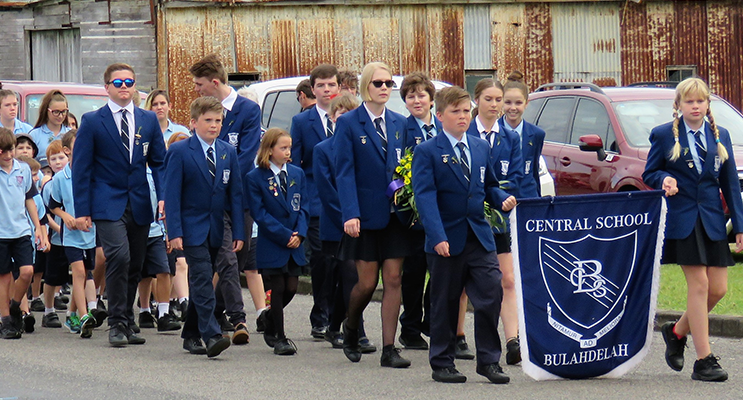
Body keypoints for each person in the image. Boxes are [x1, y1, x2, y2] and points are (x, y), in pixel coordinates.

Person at [643, 77, 743, 382]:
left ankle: (676, 332)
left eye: (701, 101)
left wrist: (739, 226)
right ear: (679, 105)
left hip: (712, 220)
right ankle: (704, 360)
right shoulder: (663, 135)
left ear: (707, 104)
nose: (695, 106)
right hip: (683, 219)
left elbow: (730, 185)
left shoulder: (720, 135)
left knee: (718, 288)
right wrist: (664, 179)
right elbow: (650, 171)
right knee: (698, 285)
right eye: (689, 101)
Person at [412, 86, 514, 384]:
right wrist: (437, 235)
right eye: (455, 111)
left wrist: (500, 198)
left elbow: (489, 184)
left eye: (466, 111)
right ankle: (442, 361)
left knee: (490, 292)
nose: (462, 117)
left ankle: (489, 360)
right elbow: (425, 196)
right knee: (444, 301)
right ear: (440, 115)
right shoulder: (428, 151)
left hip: (479, 236)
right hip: (446, 238)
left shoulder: (480, 147)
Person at [72, 63, 166, 347]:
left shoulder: (148, 120)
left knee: (136, 264)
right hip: (106, 202)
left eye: (129, 82)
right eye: (118, 83)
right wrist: (83, 210)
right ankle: (115, 323)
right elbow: (81, 168)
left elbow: (159, 163)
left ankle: (127, 319)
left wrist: (163, 197)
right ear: (107, 88)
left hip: (138, 201)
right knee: (119, 257)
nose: (124, 87)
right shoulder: (92, 121)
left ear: (135, 86)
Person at [334, 61, 411, 368]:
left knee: (393, 278)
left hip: (394, 216)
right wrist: (350, 213)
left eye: (388, 83)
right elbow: (344, 172)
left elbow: (405, 166)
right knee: (367, 283)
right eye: (378, 83)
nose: (384, 88)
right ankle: (351, 327)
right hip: (364, 216)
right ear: (366, 86)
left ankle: (389, 348)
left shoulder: (399, 123)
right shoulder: (349, 123)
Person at [165, 96, 243, 358]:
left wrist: (239, 232)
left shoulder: (227, 152)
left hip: (217, 227)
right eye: (208, 120)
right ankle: (211, 335)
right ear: (193, 123)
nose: (214, 125)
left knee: (206, 278)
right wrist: (174, 232)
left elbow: (235, 196)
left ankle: (190, 334)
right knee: (201, 279)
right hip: (190, 228)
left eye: (218, 121)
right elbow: (172, 195)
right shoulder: (179, 152)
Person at [190, 54, 260, 342]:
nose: (196, 90)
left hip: (236, 194)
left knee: (237, 257)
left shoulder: (247, 110)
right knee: (222, 259)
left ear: (215, 82)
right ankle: (228, 316)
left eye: (199, 84)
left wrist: (224, 184)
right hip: (208, 203)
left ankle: (212, 310)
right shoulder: (203, 110)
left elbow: (245, 155)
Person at [467, 77, 524, 364]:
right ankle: (456, 337)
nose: (494, 105)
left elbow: (513, 178)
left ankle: (513, 340)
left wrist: (502, 195)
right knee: (465, 282)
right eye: (488, 99)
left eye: (498, 100)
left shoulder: (510, 137)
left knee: (508, 279)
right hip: (469, 217)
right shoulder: (465, 132)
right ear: (476, 100)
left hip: (499, 217)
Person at [313, 93, 375, 352]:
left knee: (350, 277)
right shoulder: (322, 149)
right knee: (346, 275)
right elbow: (327, 191)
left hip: (361, 221)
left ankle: (337, 324)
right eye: (338, 116)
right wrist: (347, 216)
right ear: (332, 118)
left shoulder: (363, 147)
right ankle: (356, 329)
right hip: (336, 223)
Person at [247, 128, 308, 355]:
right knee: (279, 287)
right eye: (282, 148)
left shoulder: (296, 174)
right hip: (273, 241)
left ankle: (269, 317)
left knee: (292, 286)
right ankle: (280, 336)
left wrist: (299, 233)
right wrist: (284, 235)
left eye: (289, 147)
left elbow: (304, 206)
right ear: (270, 149)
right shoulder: (255, 177)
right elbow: (260, 213)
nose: (287, 152)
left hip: (294, 239)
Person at [290, 64, 340, 339]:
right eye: (321, 85)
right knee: (322, 259)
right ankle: (321, 313)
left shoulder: (349, 117)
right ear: (313, 89)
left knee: (341, 260)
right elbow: (296, 165)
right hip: (316, 201)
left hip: (344, 200)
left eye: (331, 85)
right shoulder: (302, 122)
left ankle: (338, 313)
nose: (326, 90)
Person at [397, 72, 442, 351]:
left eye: (421, 95)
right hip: (413, 214)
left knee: (440, 272)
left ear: (431, 99)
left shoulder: (442, 126)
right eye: (411, 96)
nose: (417, 100)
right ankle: (410, 326)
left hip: (442, 210)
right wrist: (405, 198)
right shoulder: (401, 129)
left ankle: (431, 321)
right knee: (414, 272)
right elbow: (396, 171)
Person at [48, 129, 103, 338]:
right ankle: (84, 316)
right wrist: (67, 217)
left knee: (85, 274)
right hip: (70, 235)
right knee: (78, 273)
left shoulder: (94, 172)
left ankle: (71, 313)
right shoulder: (61, 178)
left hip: (90, 232)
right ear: (67, 150)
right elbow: (53, 205)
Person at [0, 128, 48, 339]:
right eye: (3, 152)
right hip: (1, 232)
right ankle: (6, 321)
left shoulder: (23, 169)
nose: (8, 156)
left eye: (10, 150)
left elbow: (29, 198)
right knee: (5, 278)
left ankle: (15, 306)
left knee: (27, 271)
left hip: (21, 230)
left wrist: (37, 226)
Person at [499, 71, 544, 198]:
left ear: (526, 103)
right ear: (502, 101)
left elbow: (534, 171)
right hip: (502, 200)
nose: (513, 108)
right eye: (508, 102)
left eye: (518, 103)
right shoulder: (493, 131)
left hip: (528, 198)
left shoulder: (536, 134)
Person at [28, 90, 71, 163]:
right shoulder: (34, 135)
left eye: (63, 111)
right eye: (56, 112)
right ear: (46, 111)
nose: (60, 116)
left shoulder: (70, 134)